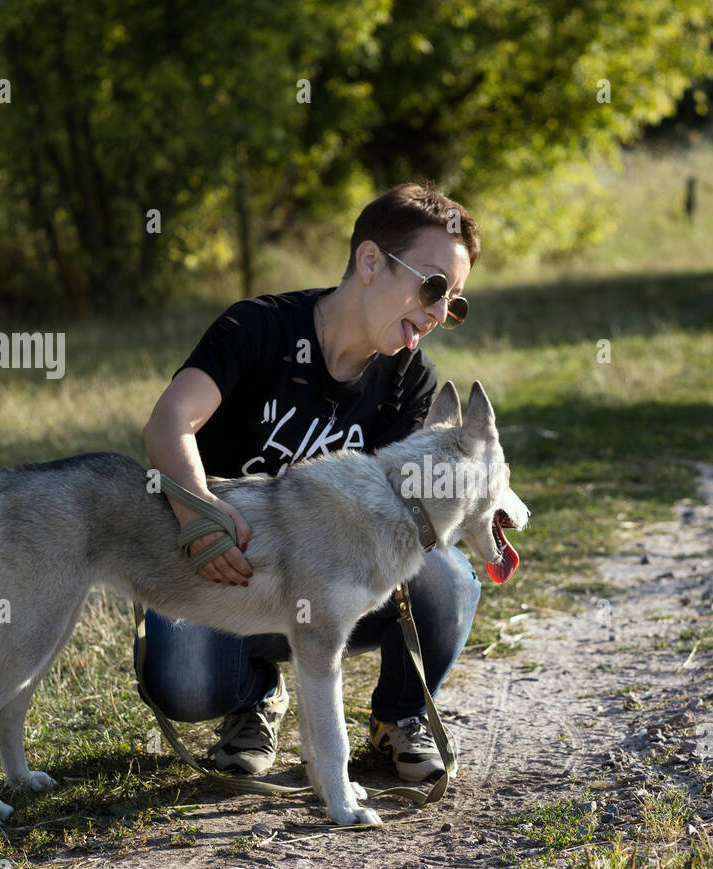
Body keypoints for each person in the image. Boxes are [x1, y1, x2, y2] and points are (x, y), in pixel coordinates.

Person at [137, 182, 481, 782]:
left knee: (446, 573)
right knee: (188, 686)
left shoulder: (411, 381)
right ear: (370, 261)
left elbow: (408, 514)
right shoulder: (257, 328)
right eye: (432, 287)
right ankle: (254, 697)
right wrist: (198, 516)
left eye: (454, 302)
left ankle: (398, 715)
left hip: (331, 586)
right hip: (227, 574)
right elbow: (170, 421)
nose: (436, 313)